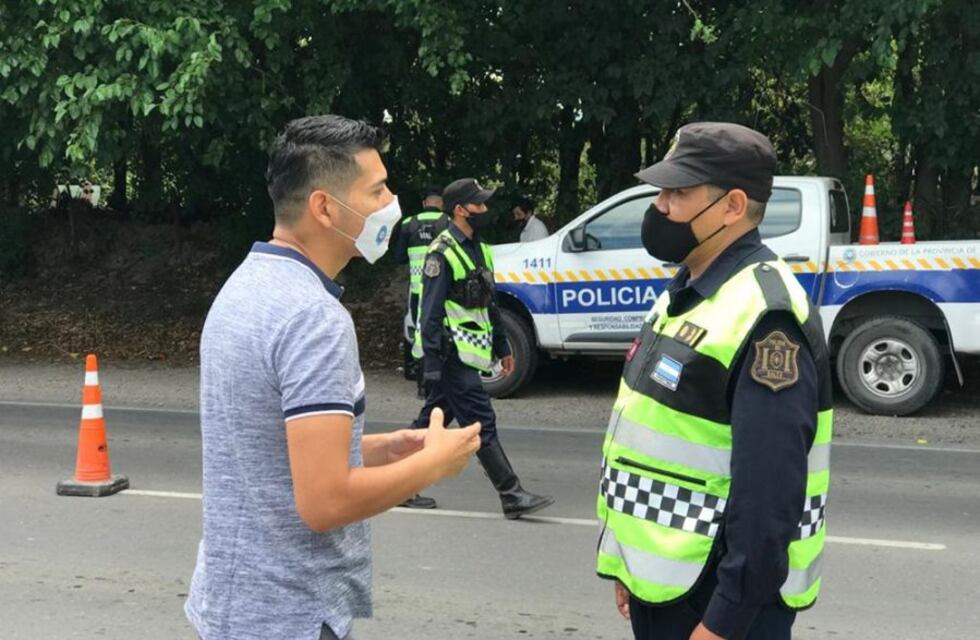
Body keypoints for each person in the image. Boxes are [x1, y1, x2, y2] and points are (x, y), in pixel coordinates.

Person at [185, 115, 481, 640]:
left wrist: (382, 448)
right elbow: (324, 501)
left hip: (233, 604)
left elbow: (264, 451)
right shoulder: (314, 319)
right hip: (288, 616)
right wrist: (433, 465)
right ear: (325, 207)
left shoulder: (246, 285)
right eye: (378, 190)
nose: (391, 203)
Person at [595, 122, 833, 640]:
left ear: (732, 206)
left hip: (720, 604)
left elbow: (769, 496)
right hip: (668, 583)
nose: (660, 206)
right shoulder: (687, 290)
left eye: (678, 193)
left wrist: (723, 621)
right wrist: (626, 562)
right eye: (662, 190)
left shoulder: (767, 316)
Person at [407, 178, 555, 518]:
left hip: (470, 351)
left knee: (433, 419)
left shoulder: (481, 249)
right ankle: (511, 494)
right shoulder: (441, 253)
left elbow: (490, 306)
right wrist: (430, 363)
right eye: (480, 205)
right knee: (480, 420)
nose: (486, 210)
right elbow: (428, 312)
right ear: (461, 210)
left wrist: (503, 347)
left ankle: (400, 484)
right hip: (449, 353)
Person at [391, 186, 450, 388]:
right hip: (442, 290)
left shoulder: (408, 224)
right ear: (441, 203)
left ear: (424, 203)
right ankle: (439, 378)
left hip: (417, 290)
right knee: (441, 331)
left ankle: (422, 381)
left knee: (419, 333)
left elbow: (399, 258)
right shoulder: (448, 223)